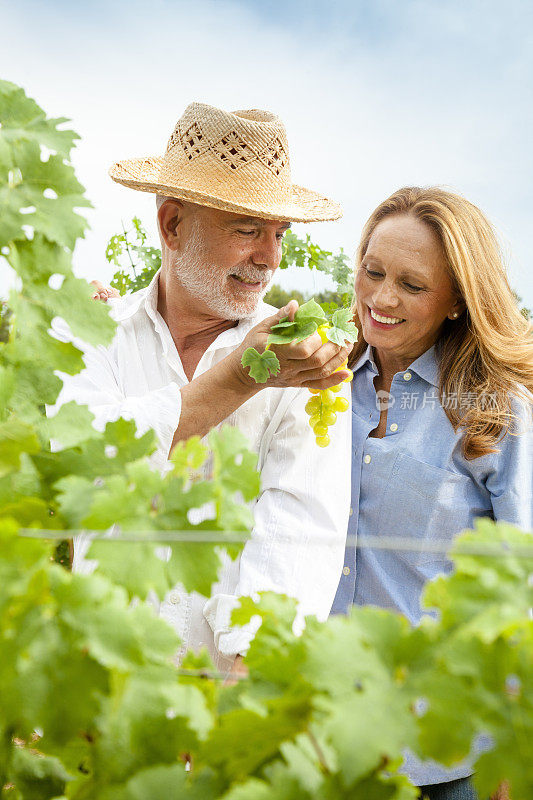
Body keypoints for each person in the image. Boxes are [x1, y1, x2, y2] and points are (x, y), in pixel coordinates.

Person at [50, 102, 353, 677]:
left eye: (279, 233)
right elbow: (84, 458)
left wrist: (239, 691)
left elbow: (300, 527)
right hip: (97, 682)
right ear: (171, 225)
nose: (270, 258)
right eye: (247, 231)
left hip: (228, 691)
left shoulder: (305, 359)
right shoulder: (88, 332)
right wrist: (238, 376)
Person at [332, 186, 532, 800]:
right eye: (373, 272)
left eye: (413, 286)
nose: (382, 299)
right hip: (330, 737)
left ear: (455, 301)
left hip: (448, 755)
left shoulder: (497, 411)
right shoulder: (324, 385)